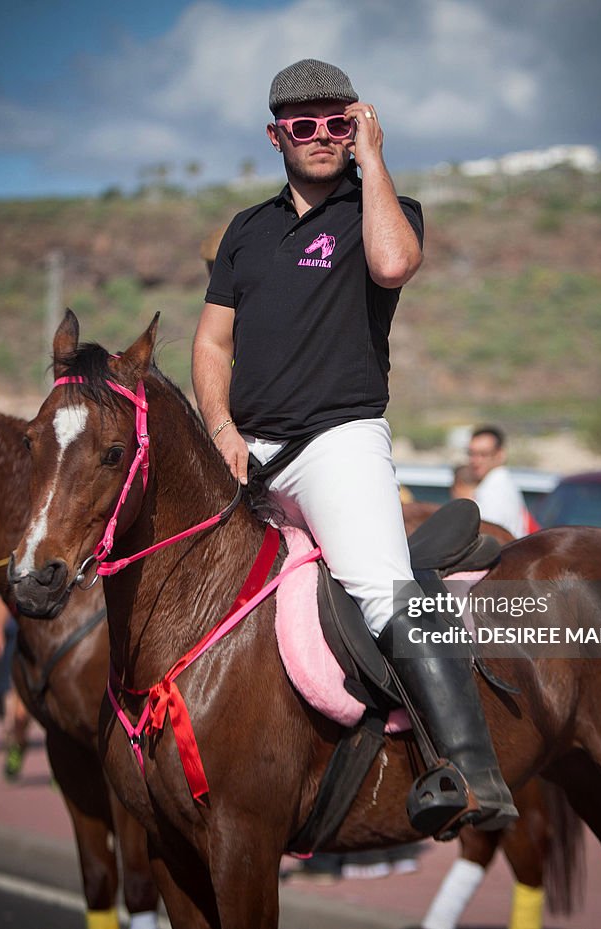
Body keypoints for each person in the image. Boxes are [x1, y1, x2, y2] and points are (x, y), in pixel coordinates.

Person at [192, 58, 516, 835]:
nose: (322, 137)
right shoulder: (246, 231)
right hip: (250, 451)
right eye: (303, 126)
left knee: (380, 588)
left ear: (359, 123)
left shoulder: (384, 207)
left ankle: (470, 770)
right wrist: (222, 432)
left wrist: (372, 160)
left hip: (338, 443)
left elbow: (394, 263)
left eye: (339, 123)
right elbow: (210, 344)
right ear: (276, 136)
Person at [0, 595, 32, 782]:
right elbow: (2, 597)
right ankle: (17, 748)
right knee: (20, 715)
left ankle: (62, 771)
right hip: (28, 652)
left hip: (56, 651)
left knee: (58, 719)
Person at [468, 425, 530, 538]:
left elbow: (488, 536)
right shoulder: (495, 484)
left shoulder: (496, 488)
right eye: (472, 453)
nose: (475, 460)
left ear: (500, 454)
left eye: (484, 454)